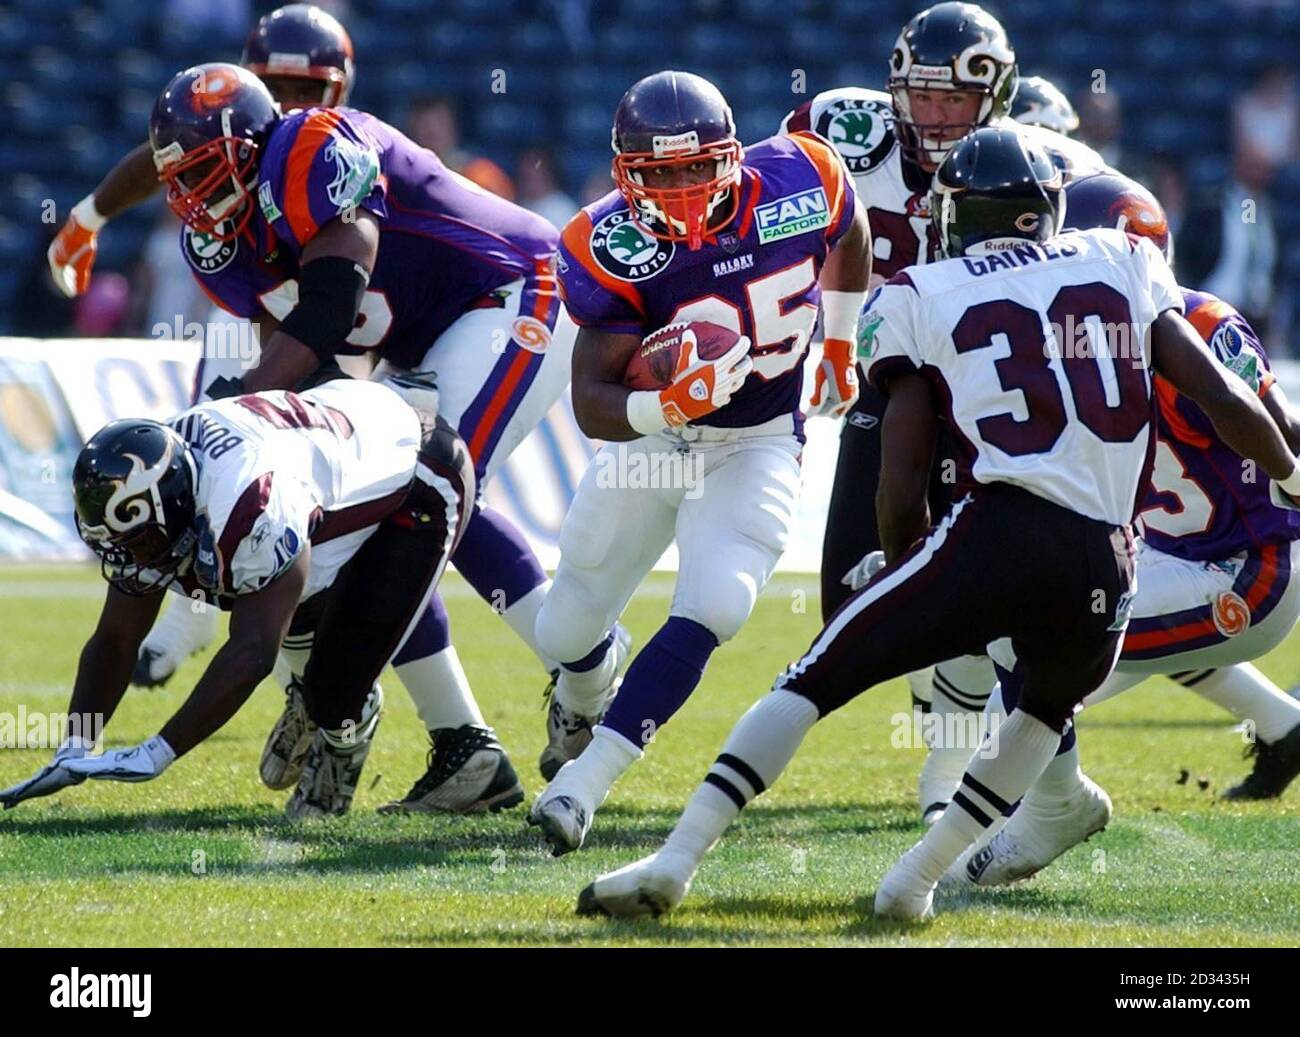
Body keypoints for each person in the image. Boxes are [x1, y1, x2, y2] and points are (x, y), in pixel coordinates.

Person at [574, 127, 1300, 921]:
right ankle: (914, 879)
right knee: (1039, 712)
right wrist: (1294, 481)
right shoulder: (1123, 260)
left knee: (811, 680)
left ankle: (677, 861)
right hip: (1110, 560)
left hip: (1002, 531)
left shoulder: (921, 290)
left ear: (953, 214)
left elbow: (902, 470)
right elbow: (1230, 402)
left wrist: (903, 562)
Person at [142, 60, 591, 813]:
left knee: (429, 495)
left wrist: (244, 402)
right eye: (177, 177)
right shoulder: (220, 241)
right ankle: (462, 748)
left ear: (249, 146)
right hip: (417, 344)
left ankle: (588, 668)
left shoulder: (310, 147)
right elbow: (300, 351)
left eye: (204, 170)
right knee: (372, 508)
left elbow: (329, 304)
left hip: (513, 287)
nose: (191, 195)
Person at [526, 69, 872, 856]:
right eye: (661, 173)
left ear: (732, 155)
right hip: (656, 443)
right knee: (564, 624)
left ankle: (582, 787)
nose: (682, 190)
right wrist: (666, 406)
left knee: (719, 602)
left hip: (755, 442)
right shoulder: (606, 242)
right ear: (625, 174)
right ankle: (584, 684)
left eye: (697, 166)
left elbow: (851, 234)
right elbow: (591, 402)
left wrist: (842, 340)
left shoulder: (804, 176)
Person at [782, 1, 1111, 822]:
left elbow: (1112, 244)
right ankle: (1003, 775)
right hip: (888, 391)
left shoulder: (1032, 165)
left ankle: (973, 788)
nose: (934, 117)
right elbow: (768, 202)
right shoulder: (843, 132)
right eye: (922, 97)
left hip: (983, 405)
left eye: (953, 101)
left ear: (993, 99)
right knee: (851, 596)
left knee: (981, 586)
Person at [46, 3, 359, 689]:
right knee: (217, 429)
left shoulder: (330, 148)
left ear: (336, 92)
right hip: (290, 313)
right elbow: (166, 155)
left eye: (307, 91)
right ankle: (193, 617)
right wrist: (87, 215)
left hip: (369, 324)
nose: (287, 102)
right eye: (276, 85)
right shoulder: (225, 153)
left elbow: (340, 289)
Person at [0, 378, 474, 819]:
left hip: (417, 477)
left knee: (332, 684)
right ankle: (316, 703)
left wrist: (158, 752)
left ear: (177, 507)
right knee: (260, 580)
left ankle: (340, 726)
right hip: (329, 466)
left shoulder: (250, 504)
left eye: (140, 542)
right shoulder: (164, 482)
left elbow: (252, 651)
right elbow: (116, 638)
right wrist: (74, 748)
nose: (130, 558)